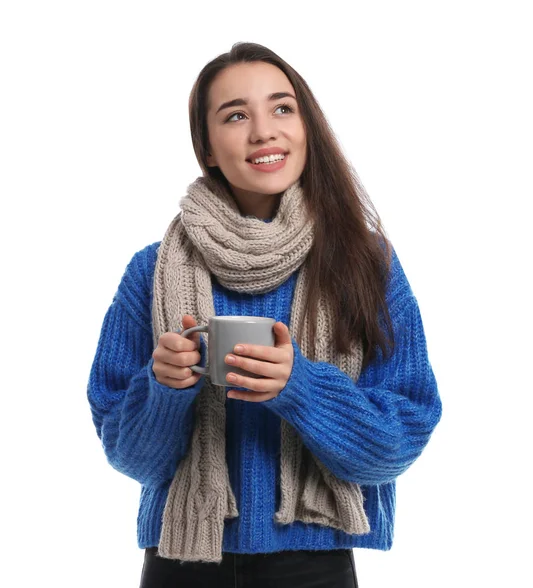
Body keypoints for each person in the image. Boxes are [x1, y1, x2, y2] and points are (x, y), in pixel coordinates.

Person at [87, 42, 443, 588]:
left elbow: (398, 443)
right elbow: (131, 458)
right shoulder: (151, 271)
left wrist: (298, 385)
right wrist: (165, 389)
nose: (263, 132)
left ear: (307, 127)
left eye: (282, 108)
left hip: (314, 566)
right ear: (206, 147)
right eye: (235, 116)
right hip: (180, 562)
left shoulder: (366, 265)